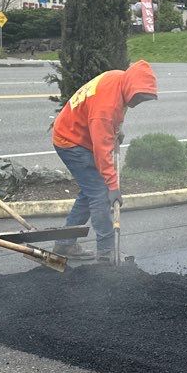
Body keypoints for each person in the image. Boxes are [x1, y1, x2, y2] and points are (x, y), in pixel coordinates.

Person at [51, 61, 158, 262]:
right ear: (130, 87)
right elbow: (102, 151)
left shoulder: (118, 79)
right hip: (71, 141)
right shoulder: (106, 110)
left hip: (79, 133)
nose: (139, 101)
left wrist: (117, 129)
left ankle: (64, 244)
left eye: (144, 97)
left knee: (89, 192)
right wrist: (112, 186)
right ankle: (107, 253)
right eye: (139, 96)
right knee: (100, 194)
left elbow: (115, 113)